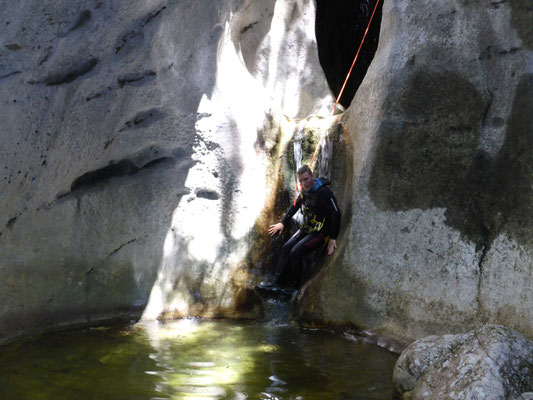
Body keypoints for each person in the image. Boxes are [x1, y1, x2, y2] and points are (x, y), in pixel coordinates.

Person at [258, 165, 341, 293]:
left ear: (312, 177)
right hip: (309, 226)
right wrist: (283, 223)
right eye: (300, 180)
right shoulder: (304, 191)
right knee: (286, 247)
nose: (303, 183)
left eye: (306, 179)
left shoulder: (324, 192)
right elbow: (295, 206)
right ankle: (276, 283)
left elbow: (336, 213)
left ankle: (293, 286)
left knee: (295, 252)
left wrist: (333, 238)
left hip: (322, 231)